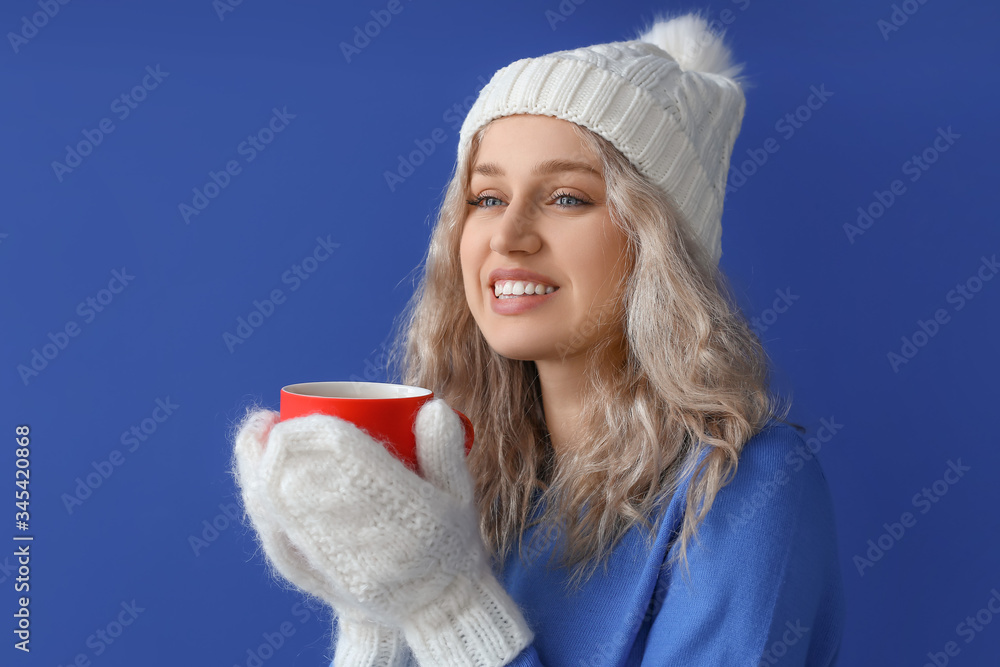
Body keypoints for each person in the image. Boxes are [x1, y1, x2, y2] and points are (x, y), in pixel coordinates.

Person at [231, 10, 846, 667]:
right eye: (487, 197)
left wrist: (450, 607)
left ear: (659, 245)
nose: (509, 235)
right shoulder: (478, 476)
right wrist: (371, 614)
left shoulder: (746, 486)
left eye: (567, 198)